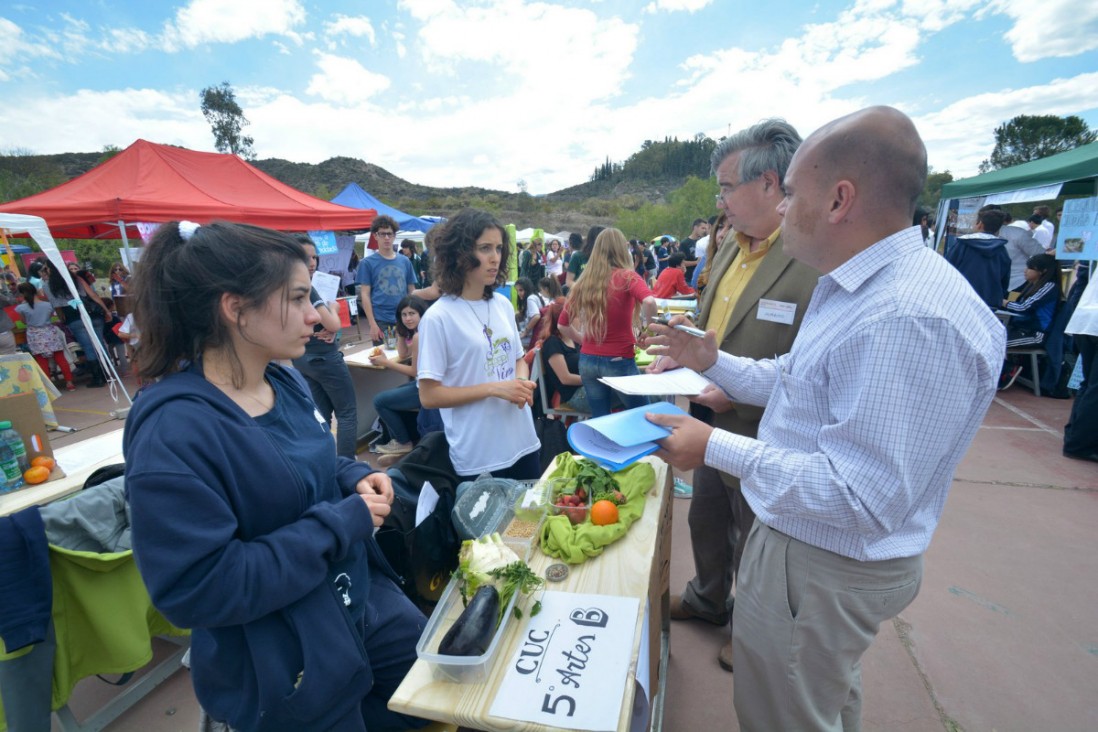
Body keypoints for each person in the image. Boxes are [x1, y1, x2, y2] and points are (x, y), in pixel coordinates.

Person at [644, 106, 1005, 730]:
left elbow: (859, 497)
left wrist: (714, 448)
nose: (780, 208)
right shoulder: (858, 285)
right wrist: (715, 360)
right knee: (820, 700)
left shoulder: (904, 317)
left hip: (821, 563)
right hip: (812, 556)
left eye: (789, 192)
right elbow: (798, 381)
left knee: (783, 713)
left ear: (839, 199)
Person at [123, 220, 427, 732]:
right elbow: (198, 589)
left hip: (355, 606)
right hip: (288, 662)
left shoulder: (283, 382)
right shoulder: (175, 432)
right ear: (236, 308)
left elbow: (309, 460)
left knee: (426, 702)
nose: (316, 315)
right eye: (297, 298)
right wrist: (339, 525)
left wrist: (352, 474)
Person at [649, 118, 819, 672]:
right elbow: (707, 318)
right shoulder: (727, 246)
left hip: (764, 427)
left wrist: (736, 391)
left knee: (757, 538)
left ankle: (749, 628)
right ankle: (707, 597)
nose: (719, 200)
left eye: (727, 187)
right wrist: (681, 351)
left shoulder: (811, 258)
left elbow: (810, 367)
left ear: (770, 184)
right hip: (709, 415)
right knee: (705, 517)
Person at [416, 208, 540, 481]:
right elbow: (429, 395)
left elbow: (518, 357)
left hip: (523, 440)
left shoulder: (503, 304)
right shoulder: (438, 317)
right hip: (479, 454)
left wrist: (521, 383)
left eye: (498, 248)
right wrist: (495, 388)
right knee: (492, 525)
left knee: (529, 523)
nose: (494, 257)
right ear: (459, 254)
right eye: (484, 248)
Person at [558, 227, 658, 418]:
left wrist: (583, 340)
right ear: (622, 249)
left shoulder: (585, 281)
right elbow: (650, 301)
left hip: (587, 359)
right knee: (643, 415)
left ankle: (605, 448)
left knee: (600, 418)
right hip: (618, 359)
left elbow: (562, 325)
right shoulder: (627, 277)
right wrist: (649, 332)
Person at [291, 234, 360, 459]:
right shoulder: (307, 288)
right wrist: (333, 309)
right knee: (347, 413)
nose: (312, 263)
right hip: (324, 359)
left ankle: (326, 461)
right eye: (305, 257)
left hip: (303, 359)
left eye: (314, 257)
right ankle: (348, 468)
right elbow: (333, 323)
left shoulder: (285, 286)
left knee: (321, 414)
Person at [371, 295, 428, 456]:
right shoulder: (421, 331)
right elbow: (403, 354)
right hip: (425, 384)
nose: (408, 318)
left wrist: (385, 362)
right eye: (404, 315)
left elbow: (414, 371)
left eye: (412, 314)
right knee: (395, 392)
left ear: (421, 314)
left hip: (426, 387)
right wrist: (401, 332)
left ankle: (402, 442)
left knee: (380, 401)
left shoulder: (418, 336)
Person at [40, 259, 109, 387]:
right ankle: (108, 373)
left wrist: (62, 319)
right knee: (99, 343)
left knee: (88, 347)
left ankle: (98, 377)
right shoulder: (76, 279)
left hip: (74, 317)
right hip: (93, 313)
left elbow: (57, 307)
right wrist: (106, 310)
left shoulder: (48, 286)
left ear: (49, 269)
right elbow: (93, 295)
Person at [998, 253, 1062, 389]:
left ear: (1042, 271)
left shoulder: (1049, 286)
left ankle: (1008, 369)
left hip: (1035, 334)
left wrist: (1003, 302)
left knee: (996, 342)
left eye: (1030, 268)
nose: (1025, 271)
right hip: (1022, 330)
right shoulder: (1032, 285)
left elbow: (1023, 308)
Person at [357, 215, 417, 345]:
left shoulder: (405, 261)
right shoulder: (367, 263)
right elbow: (365, 294)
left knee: (408, 357)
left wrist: (414, 316)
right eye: (382, 234)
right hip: (381, 320)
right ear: (375, 236)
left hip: (404, 318)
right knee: (384, 359)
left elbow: (412, 290)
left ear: (395, 235)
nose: (386, 238)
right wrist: (372, 324)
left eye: (389, 234)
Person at [944, 207, 1011, 309]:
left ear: (980, 224)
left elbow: (947, 269)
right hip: (988, 303)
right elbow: (1004, 280)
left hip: (960, 299)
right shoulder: (1002, 250)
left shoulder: (962, 245)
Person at [1062, 270, 1098, 461]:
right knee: (1094, 388)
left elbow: (1080, 281)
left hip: (1085, 320)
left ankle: (1075, 437)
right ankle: (1079, 444)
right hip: (1090, 322)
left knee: (1088, 385)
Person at [15, 282, 76, 391]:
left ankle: (48, 386)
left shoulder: (21, 308)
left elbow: (23, 321)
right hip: (49, 331)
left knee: (41, 360)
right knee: (60, 357)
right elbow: (51, 315)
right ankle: (69, 382)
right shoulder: (47, 305)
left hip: (34, 334)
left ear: (23, 294)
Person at [535, 298, 589, 413]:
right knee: (623, 393)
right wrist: (594, 380)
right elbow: (565, 378)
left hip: (586, 389)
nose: (582, 320)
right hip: (575, 396)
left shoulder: (573, 339)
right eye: (578, 316)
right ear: (565, 319)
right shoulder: (553, 342)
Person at [514, 277, 547, 349]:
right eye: (517, 291)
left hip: (534, 336)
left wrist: (525, 332)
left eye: (521, 290)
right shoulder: (535, 296)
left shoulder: (530, 298)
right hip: (538, 334)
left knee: (513, 341)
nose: (519, 293)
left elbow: (536, 316)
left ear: (527, 289)